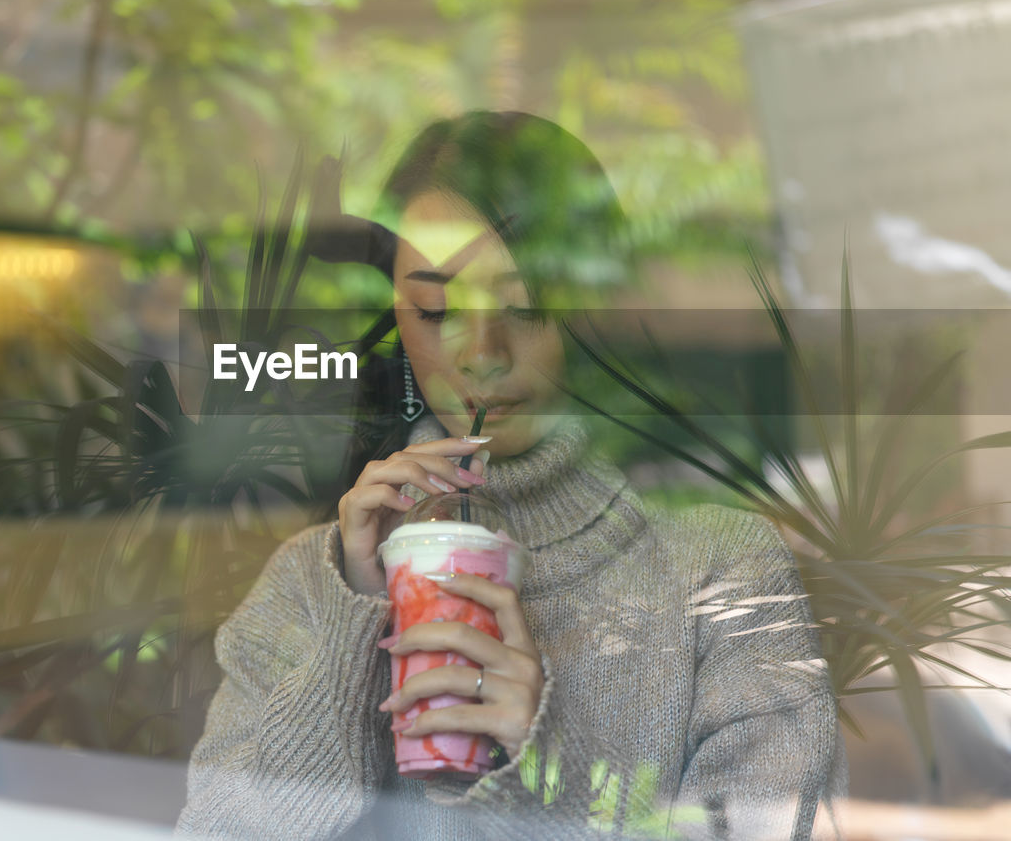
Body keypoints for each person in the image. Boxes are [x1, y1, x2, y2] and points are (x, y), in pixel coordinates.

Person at [177, 112, 845, 839]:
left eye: (524, 303)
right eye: (435, 309)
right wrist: (354, 623)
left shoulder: (720, 569)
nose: (481, 351)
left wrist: (548, 782)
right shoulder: (318, 581)